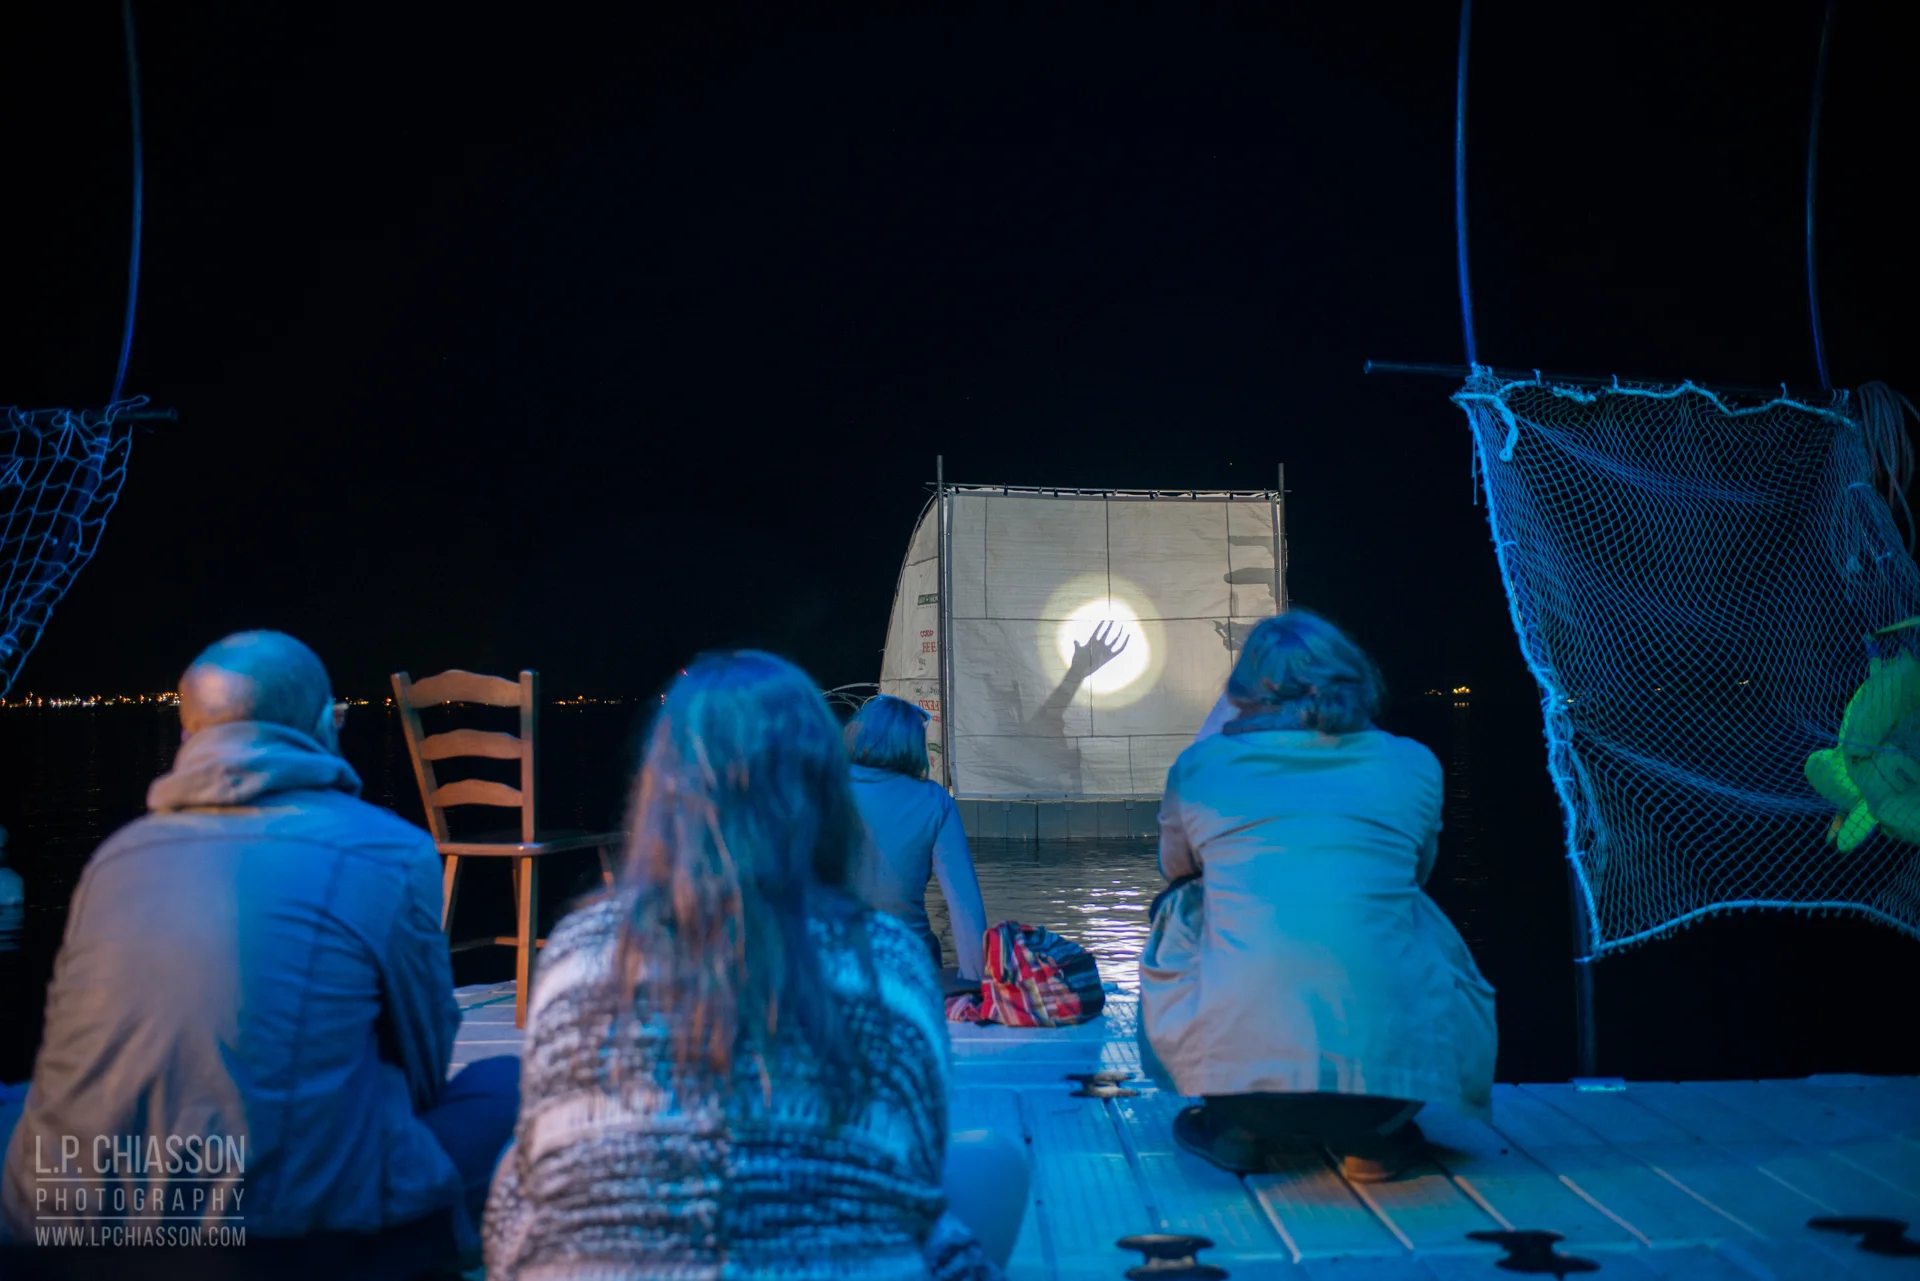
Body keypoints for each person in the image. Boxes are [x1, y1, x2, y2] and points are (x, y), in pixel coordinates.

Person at [484, 651, 1026, 1279]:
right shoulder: (890, 961)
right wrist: (978, 983)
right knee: (997, 1161)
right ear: (821, 792)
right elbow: (918, 1176)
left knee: (513, 1156)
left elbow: (525, 1204)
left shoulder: (578, 951)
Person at [0, 631, 516, 1274]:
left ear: (188, 736)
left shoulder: (116, 857)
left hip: (60, 1222)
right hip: (280, 1239)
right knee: (509, 1087)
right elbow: (424, 1071)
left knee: (23, 1102)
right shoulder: (390, 850)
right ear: (326, 724)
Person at [1140, 610, 1497, 1182]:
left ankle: (1235, 1130)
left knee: (1182, 905)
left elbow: (1175, 871)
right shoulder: (1413, 762)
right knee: (1406, 906)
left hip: (1242, 1094)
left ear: (1245, 692)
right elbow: (1419, 871)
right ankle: (1374, 1143)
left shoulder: (1201, 766)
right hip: (1386, 1095)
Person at [844, 694, 990, 982]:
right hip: (911, 968)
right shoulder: (935, 801)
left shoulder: (819, 786)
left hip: (832, 964)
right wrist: (977, 984)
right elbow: (965, 906)